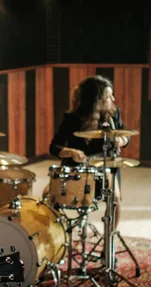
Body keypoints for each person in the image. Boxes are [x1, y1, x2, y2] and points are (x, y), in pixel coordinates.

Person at [48, 75, 130, 229]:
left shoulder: (113, 114)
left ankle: (109, 240)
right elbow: (54, 147)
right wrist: (71, 152)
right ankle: (56, 235)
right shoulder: (72, 118)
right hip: (78, 168)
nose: (113, 99)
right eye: (107, 96)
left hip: (106, 166)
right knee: (49, 195)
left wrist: (122, 140)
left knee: (115, 199)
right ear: (96, 100)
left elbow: (126, 135)